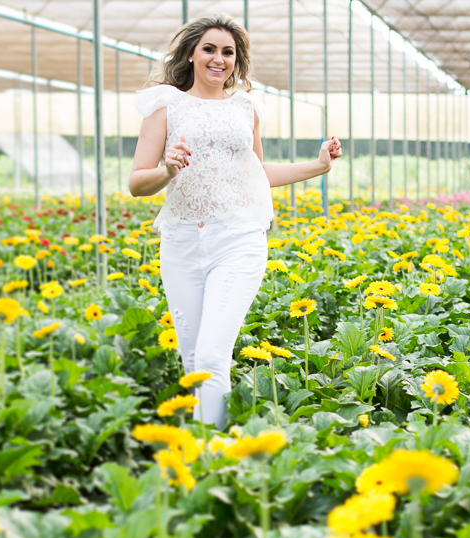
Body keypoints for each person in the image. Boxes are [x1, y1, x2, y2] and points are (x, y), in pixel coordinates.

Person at [128, 15, 341, 429]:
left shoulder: (246, 108)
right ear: (191, 53)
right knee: (192, 360)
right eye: (209, 48)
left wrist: (318, 166)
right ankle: (202, 450)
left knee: (210, 356)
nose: (219, 59)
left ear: (236, 60)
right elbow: (137, 183)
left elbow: (257, 173)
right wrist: (168, 172)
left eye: (228, 52)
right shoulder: (164, 106)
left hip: (239, 240)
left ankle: (214, 452)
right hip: (183, 243)